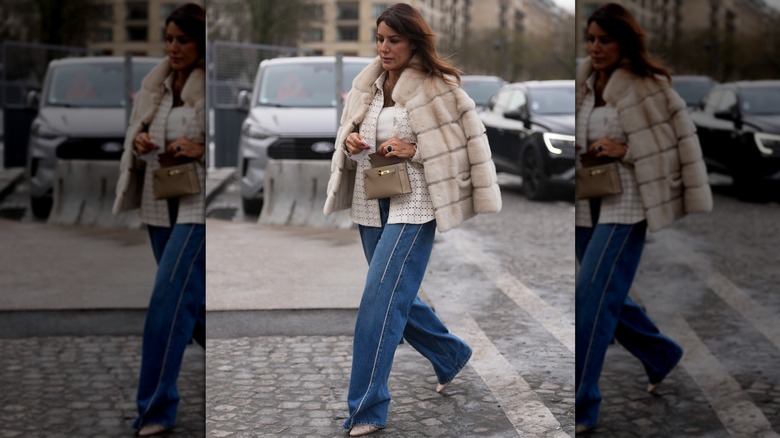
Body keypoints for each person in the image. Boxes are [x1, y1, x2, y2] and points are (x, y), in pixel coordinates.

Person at [323, 3, 502, 436]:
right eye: (380, 39)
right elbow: (351, 132)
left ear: (414, 41)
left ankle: (367, 406)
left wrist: (414, 150)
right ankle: (450, 354)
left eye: (394, 39)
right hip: (373, 197)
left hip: (415, 202)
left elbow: (461, 146)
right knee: (396, 295)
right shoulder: (366, 84)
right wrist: (349, 141)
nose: (384, 47)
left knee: (378, 298)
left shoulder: (440, 88)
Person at [574, 3, 712, 433]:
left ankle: (581, 406)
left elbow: (673, 148)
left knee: (589, 299)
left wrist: (625, 150)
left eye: (605, 39)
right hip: (586, 200)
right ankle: (660, 354)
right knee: (606, 296)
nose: (596, 47)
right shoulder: (581, 82)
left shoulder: (650, 88)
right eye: (591, 39)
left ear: (624, 41)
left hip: (627, 205)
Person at [113, 3, 206, 436]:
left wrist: (202, 149)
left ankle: (155, 408)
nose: (172, 47)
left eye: (182, 39)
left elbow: (224, 139)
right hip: (158, 200)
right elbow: (135, 133)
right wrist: (140, 141)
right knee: (192, 304)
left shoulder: (211, 84)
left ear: (200, 42)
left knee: (166, 304)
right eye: (168, 38)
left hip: (197, 207)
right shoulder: (157, 83)